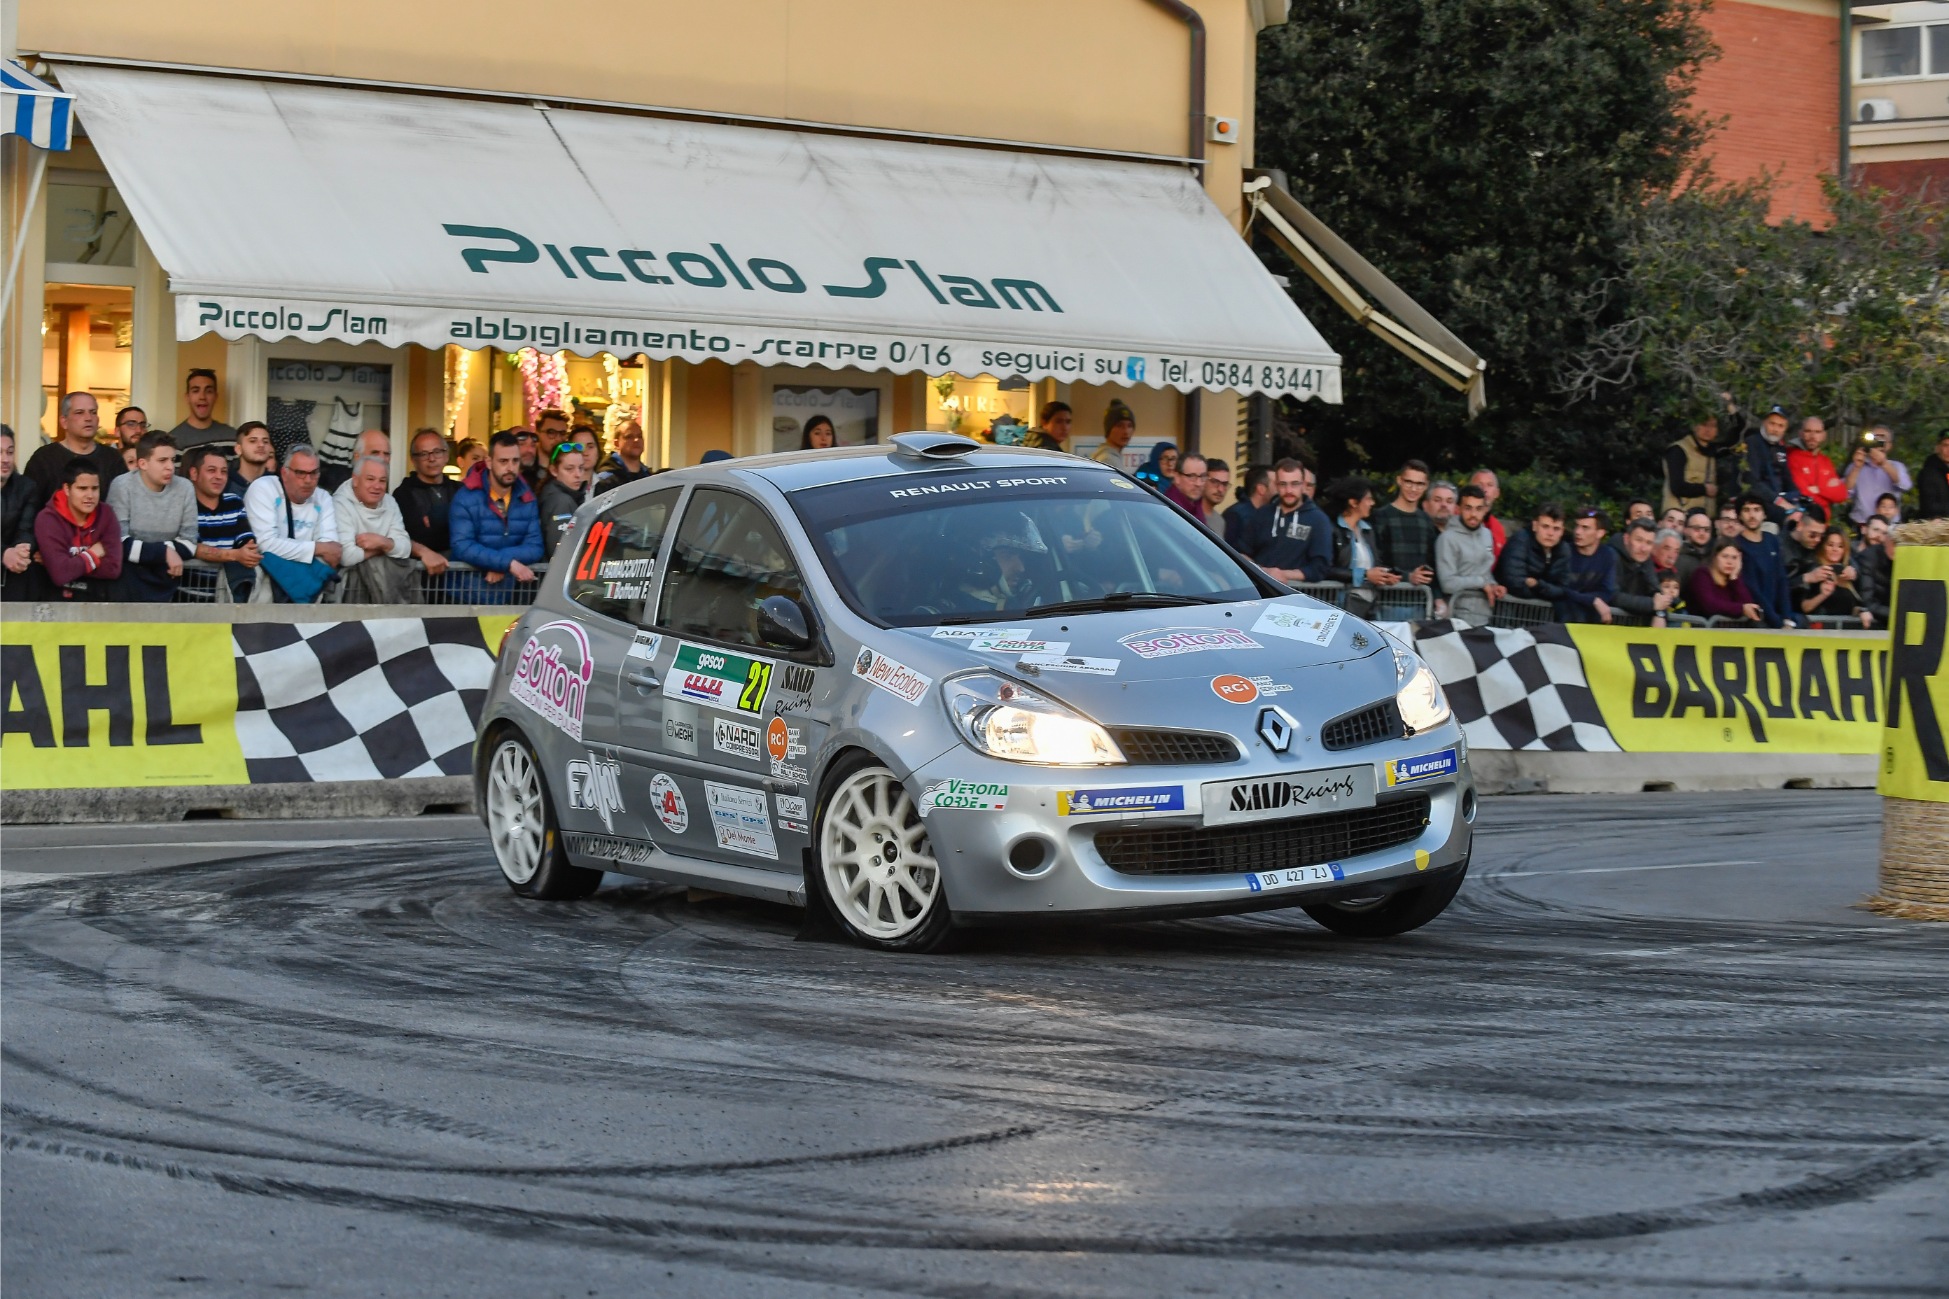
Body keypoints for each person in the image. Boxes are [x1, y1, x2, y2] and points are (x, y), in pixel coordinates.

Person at [104, 432, 198, 602]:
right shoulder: (122, 485)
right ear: (143, 463)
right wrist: (164, 552)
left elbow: (189, 543)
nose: (170, 467)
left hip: (167, 580)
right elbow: (117, 543)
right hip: (125, 583)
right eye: (162, 460)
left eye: (172, 460)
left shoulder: (185, 488)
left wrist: (151, 552)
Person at [450, 431, 543, 602]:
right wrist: (508, 564)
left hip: (510, 596)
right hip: (466, 596)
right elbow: (462, 545)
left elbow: (535, 546)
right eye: (503, 461)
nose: (510, 468)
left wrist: (501, 563)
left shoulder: (527, 497)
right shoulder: (465, 497)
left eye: (515, 461)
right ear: (488, 462)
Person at [244, 444, 343, 603]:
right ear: (284, 473)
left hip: (307, 590)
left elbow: (331, 552)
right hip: (266, 588)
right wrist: (316, 548)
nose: (308, 480)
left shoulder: (323, 497)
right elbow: (265, 544)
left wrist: (288, 549)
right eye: (300, 473)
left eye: (313, 473)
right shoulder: (263, 488)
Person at [35, 460, 124, 601]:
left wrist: (68, 563)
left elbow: (113, 568)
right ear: (66, 489)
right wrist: (93, 554)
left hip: (98, 596)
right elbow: (59, 574)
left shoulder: (106, 513)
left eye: (95, 488)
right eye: (82, 489)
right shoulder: (48, 519)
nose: (90, 495)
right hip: (57, 599)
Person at [333, 454, 416, 603]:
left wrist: (382, 542)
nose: (377, 486)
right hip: (349, 594)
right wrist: (385, 548)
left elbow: (405, 548)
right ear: (355, 480)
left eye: (382, 481)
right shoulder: (339, 503)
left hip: (388, 589)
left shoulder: (390, 502)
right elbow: (346, 556)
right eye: (370, 479)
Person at [185, 445, 259, 600]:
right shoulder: (185, 505)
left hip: (228, 597)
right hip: (190, 597)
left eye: (224, 471)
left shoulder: (234, 502)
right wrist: (236, 555)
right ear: (194, 474)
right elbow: (193, 547)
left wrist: (246, 551)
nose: (219, 476)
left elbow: (246, 542)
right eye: (211, 470)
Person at [1242, 458, 1333, 583]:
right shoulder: (1261, 514)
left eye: (1294, 484)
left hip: (1295, 592)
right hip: (1258, 589)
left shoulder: (1318, 520)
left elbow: (1320, 567)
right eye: (1283, 484)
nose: (1289, 490)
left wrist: (1282, 575)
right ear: (1276, 485)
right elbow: (1242, 552)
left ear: (1303, 485)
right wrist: (1262, 572)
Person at [24, 392, 126, 499]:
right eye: (79, 412)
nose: (88, 418)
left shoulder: (112, 458)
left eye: (93, 412)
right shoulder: (44, 458)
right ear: (64, 421)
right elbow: (30, 503)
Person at [1319, 476, 1394, 618]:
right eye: (1368, 499)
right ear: (1353, 502)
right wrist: (1365, 575)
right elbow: (1326, 568)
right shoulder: (1331, 530)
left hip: (1370, 603)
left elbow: (1377, 563)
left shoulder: (1368, 531)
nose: (1372, 503)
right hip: (1340, 604)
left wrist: (1385, 576)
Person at [395, 429, 457, 582]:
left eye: (437, 452)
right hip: (420, 579)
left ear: (446, 455)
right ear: (413, 459)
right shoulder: (403, 494)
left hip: (459, 578)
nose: (432, 458)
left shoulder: (460, 490)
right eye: (424, 454)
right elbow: (406, 537)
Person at [1436, 484, 1503, 626]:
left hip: (1485, 616)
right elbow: (1447, 583)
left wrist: (1494, 586)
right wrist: (1482, 583)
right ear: (1458, 509)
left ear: (1485, 510)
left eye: (1479, 509)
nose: (1473, 514)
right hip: (1456, 618)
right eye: (1468, 508)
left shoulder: (1487, 535)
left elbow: (1485, 571)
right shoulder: (1447, 539)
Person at [1370, 460, 1439, 593]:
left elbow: (1432, 562)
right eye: (1409, 482)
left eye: (1419, 484)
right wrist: (1408, 577)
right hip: (1386, 595)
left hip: (1420, 598)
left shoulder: (1426, 521)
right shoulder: (1381, 516)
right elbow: (1376, 560)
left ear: (1426, 486)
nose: (1413, 489)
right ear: (1399, 480)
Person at [1731, 492, 1794, 627]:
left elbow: (1781, 579)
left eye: (1757, 510)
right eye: (1746, 510)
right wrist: (1778, 623)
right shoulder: (1736, 545)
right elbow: (1751, 588)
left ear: (1764, 514)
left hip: (1778, 615)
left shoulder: (1772, 540)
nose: (1752, 515)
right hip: (1754, 618)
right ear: (1739, 515)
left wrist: (1786, 617)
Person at [1793, 527, 1869, 627]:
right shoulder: (1815, 571)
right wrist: (1823, 595)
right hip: (1819, 629)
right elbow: (1804, 607)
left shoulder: (1849, 573)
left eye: (1840, 546)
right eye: (1830, 545)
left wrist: (1861, 611)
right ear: (1823, 546)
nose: (1835, 549)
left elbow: (1854, 604)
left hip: (1844, 630)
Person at [1495, 504, 1569, 606]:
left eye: (1556, 529)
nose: (1550, 533)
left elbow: (1564, 590)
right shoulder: (1520, 541)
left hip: (1543, 611)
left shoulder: (1564, 549)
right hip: (1508, 606)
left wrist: (1537, 585)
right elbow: (1514, 583)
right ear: (1535, 526)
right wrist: (1548, 592)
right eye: (1545, 527)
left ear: (1562, 531)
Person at [1556, 508, 1620, 624]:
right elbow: (1559, 588)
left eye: (1585, 528)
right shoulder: (1564, 551)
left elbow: (1607, 591)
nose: (1577, 532)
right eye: (1577, 526)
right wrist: (1593, 600)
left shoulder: (1608, 555)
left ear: (1600, 533)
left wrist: (1589, 600)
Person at [2, 426, 41, 602]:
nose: (5, 459)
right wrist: (3, 553)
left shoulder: (26, 487)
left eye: (10, 452)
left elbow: (27, 528)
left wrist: (22, 550)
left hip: (15, 568)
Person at [1686, 540, 1766, 624]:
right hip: (1703, 629)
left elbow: (1748, 604)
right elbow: (1710, 605)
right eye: (1725, 556)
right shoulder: (1702, 575)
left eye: (1734, 558)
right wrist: (1741, 608)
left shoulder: (1734, 580)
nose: (1729, 562)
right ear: (1715, 557)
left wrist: (1734, 578)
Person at [1662, 417, 1731, 516]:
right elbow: (1677, 487)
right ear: (1694, 426)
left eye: (1713, 426)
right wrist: (1704, 489)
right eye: (1704, 425)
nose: (1708, 430)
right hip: (1679, 515)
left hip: (1704, 517)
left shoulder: (1711, 452)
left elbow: (1736, 438)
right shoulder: (1678, 450)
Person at [1742, 405, 1799, 523]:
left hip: (1779, 499)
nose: (1775, 429)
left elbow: (1787, 478)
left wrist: (1797, 497)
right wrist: (1779, 501)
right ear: (1764, 423)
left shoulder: (1780, 448)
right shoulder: (1752, 443)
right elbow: (1753, 481)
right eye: (1772, 424)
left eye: (1780, 426)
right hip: (1759, 503)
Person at [1612, 519, 1673, 626]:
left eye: (1649, 543)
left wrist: (1660, 614)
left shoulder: (1646, 560)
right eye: (1639, 540)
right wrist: (1652, 604)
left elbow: (1656, 592)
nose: (1643, 548)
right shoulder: (1610, 557)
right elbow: (1612, 595)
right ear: (1626, 539)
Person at [1846, 426, 1911, 526]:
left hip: (1889, 526)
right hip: (1862, 524)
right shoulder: (1856, 465)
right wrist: (1857, 467)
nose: (1878, 441)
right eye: (1874, 438)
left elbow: (1905, 486)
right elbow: (1845, 493)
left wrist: (1884, 463)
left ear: (1889, 445)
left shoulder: (1897, 466)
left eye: (1882, 438)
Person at [538, 441, 591, 559]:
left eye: (581, 468)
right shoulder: (561, 502)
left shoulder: (565, 496)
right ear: (554, 470)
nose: (578, 474)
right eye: (569, 469)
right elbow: (560, 554)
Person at [1788, 416, 1848, 518]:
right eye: (1808, 431)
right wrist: (1827, 491)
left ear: (1823, 435)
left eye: (1817, 432)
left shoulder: (1825, 461)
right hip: (1803, 519)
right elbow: (1802, 493)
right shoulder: (1792, 457)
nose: (1812, 436)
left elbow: (1841, 495)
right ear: (1800, 433)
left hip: (1824, 522)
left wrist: (1818, 489)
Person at [168, 368, 238, 448]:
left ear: (215, 397)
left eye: (209, 391)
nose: (202, 397)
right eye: (196, 391)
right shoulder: (172, 441)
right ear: (187, 397)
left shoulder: (232, 437)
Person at [321, 430, 388, 495]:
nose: (382, 459)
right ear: (357, 456)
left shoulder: (389, 499)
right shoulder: (337, 488)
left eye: (386, 454)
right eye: (375, 453)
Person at [1855, 517, 1897, 623]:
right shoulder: (1868, 557)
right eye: (1894, 543)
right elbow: (1867, 600)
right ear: (1886, 540)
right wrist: (1898, 614)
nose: (1897, 548)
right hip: (1877, 618)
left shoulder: (1908, 560)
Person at [594, 421, 653, 494]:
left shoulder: (649, 477)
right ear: (616, 443)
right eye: (629, 437)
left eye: (639, 436)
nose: (636, 440)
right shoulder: (606, 480)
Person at [1224, 464, 1273, 549]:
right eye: (1276, 484)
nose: (1280, 488)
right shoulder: (1235, 516)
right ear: (1261, 489)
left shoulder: (1267, 514)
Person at [1780, 504, 1829, 582]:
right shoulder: (1778, 547)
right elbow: (1773, 585)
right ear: (1800, 526)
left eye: (1821, 535)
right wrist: (1805, 578)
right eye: (1813, 535)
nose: (1817, 540)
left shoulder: (1820, 544)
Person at [228, 421, 277, 496]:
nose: (261, 445)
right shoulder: (225, 485)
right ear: (238, 449)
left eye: (265, 441)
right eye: (253, 441)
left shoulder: (278, 485)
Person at [1468, 469, 1507, 556]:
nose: (1484, 489)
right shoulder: (1458, 520)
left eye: (1489, 485)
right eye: (1479, 485)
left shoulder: (1498, 528)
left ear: (1497, 493)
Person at [1675, 510, 1715, 590]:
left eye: (1707, 529)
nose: (1702, 533)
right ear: (1685, 530)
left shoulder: (1713, 557)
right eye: (1697, 529)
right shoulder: (1678, 557)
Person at [1164, 453, 1209, 522]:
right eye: (1191, 476)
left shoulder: (1196, 505)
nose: (1198, 483)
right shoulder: (1170, 509)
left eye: (1203, 476)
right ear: (1177, 477)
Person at [1092, 401, 1135, 471]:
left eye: (1130, 426)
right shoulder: (1108, 460)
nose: (1126, 431)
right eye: (1119, 425)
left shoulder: (1114, 458)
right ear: (1109, 429)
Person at [1916, 430, 1949, 521]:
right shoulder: (1928, 473)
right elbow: (1929, 505)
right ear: (1938, 448)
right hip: (1936, 524)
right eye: (1945, 445)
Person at [1200, 458, 1232, 533]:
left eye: (1225, 484)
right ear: (1203, 480)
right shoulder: (1188, 513)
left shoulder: (1220, 522)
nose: (1220, 489)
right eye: (1214, 482)